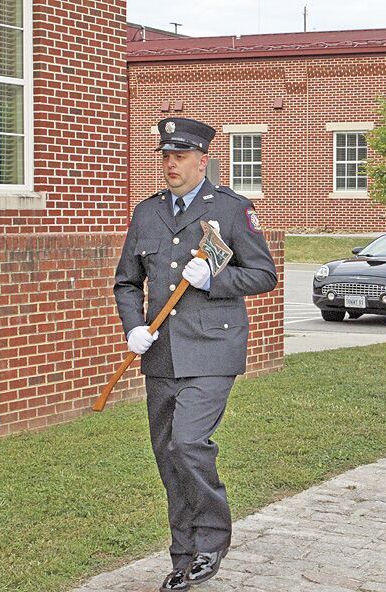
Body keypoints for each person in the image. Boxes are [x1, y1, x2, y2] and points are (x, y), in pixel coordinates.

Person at [113, 117, 277, 591]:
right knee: (167, 455)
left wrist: (215, 280)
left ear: (203, 160)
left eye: (180, 156)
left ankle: (210, 541)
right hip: (161, 352)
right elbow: (127, 281)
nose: (171, 164)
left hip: (212, 349)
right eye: (165, 155)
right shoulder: (146, 214)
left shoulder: (229, 210)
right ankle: (183, 555)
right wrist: (133, 327)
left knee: (187, 442)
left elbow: (264, 274)